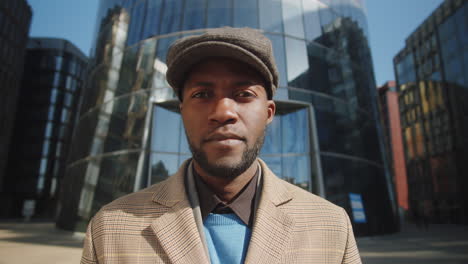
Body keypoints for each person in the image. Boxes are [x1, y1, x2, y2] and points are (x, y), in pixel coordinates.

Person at [81, 27, 361, 264]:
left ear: (268, 113)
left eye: (243, 94)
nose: (223, 111)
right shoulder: (110, 229)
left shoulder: (332, 227)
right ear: (182, 111)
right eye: (202, 94)